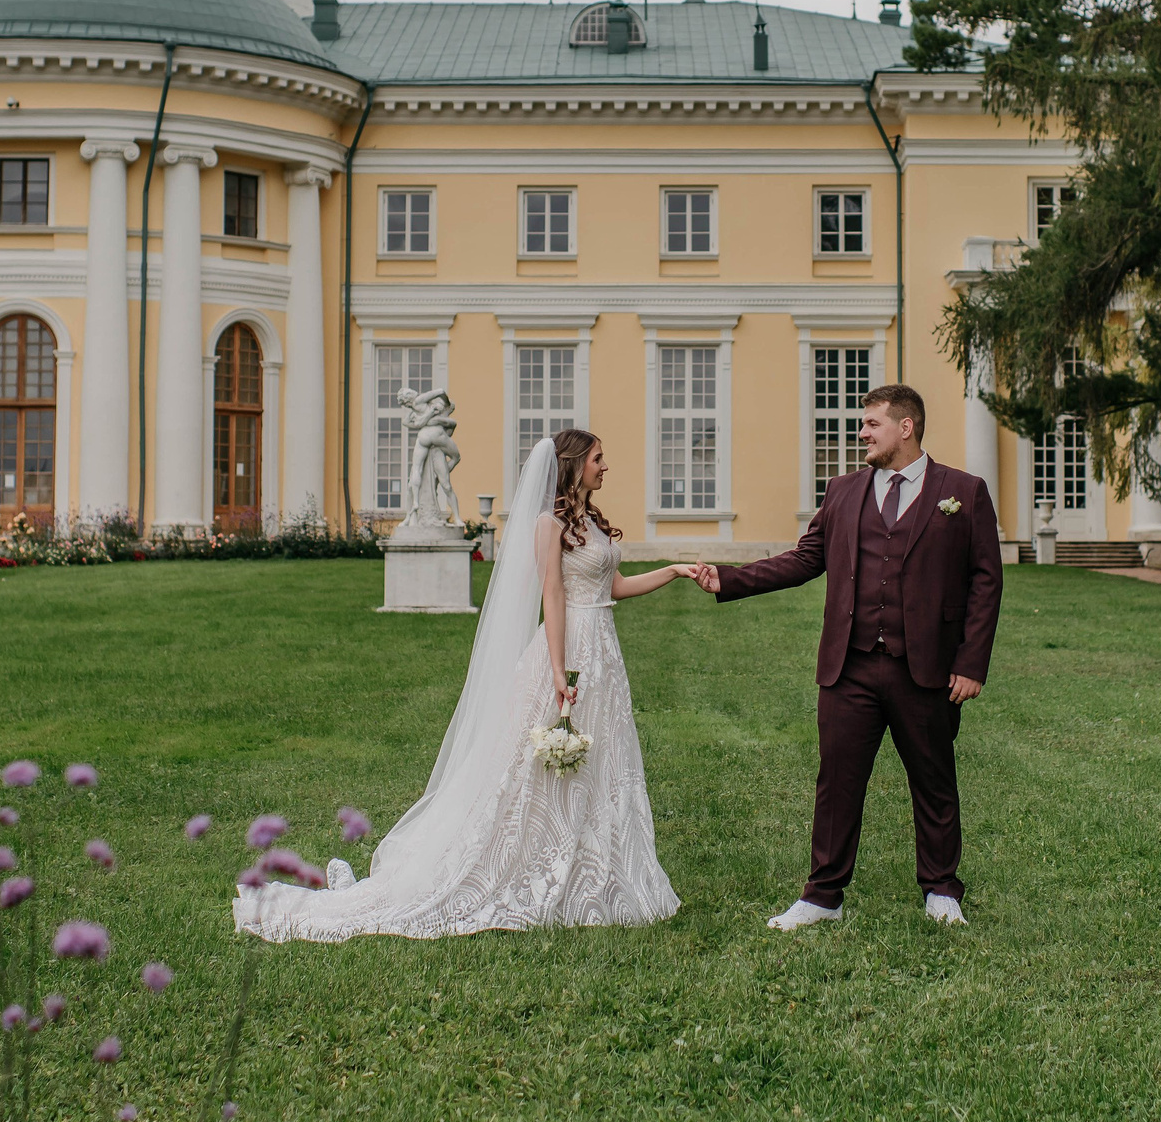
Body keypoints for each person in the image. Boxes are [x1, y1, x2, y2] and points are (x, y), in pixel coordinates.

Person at [234, 427, 690, 941]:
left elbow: (614, 588)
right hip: (570, 649)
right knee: (534, 767)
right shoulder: (548, 524)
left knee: (601, 759)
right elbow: (554, 597)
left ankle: (597, 867)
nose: (606, 467)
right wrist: (560, 671)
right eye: (599, 460)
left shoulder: (590, 523)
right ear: (573, 466)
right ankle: (532, 861)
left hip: (604, 650)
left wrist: (672, 571)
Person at [691, 384, 1001, 929]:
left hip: (925, 666)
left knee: (933, 779)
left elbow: (985, 581)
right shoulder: (843, 491)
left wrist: (970, 663)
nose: (861, 433)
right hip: (849, 665)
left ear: (906, 427)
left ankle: (941, 888)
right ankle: (822, 896)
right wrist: (730, 580)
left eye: (872, 424)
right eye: (863, 424)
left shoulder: (964, 491)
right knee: (837, 781)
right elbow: (805, 558)